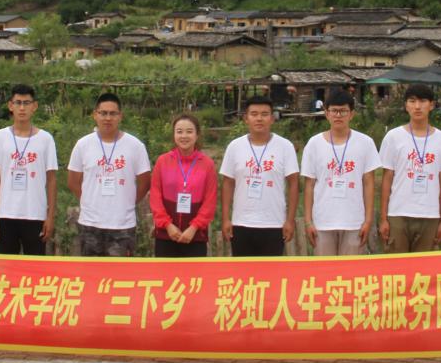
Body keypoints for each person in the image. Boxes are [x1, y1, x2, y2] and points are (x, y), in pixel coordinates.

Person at [66, 92, 152, 257]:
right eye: (103, 113)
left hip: (122, 225)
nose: (108, 118)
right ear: (95, 115)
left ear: (120, 116)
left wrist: (127, 201)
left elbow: (144, 183)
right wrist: (89, 200)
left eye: (113, 113)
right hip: (90, 224)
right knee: (91, 272)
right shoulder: (83, 145)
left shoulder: (135, 146)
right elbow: (72, 181)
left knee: (120, 272)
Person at [300, 88, 379, 256]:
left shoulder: (365, 143)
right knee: (324, 269)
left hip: (354, 221)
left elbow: (368, 183)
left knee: (350, 269)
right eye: (334, 111)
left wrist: (368, 220)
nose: (338, 115)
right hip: (323, 221)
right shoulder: (314, 144)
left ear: (352, 114)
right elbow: (309, 185)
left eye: (343, 111)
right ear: (326, 113)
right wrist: (308, 221)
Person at [378, 84, 441, 253]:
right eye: (412, 101)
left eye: (423, 101)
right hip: (398, 213)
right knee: (396, 265)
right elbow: (387, 179)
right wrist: (383, 218)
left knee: (424, 267)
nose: (417, 106)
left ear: (432, 105)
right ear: (406, 105)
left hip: (430, 215)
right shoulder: (393, 137)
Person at [220, 96, 299, 257]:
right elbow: (227, 183)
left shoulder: (285, 146)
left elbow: (294, 183)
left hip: (274, 223)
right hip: (241, 223)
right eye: (254, 114)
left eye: (264, 114)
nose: (259, 118)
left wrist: (290, 220)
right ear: (246, 118)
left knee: (271, 271)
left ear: (272, 118)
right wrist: (226, 219)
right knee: (242, 271)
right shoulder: (235, 147)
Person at [0, 85, 58, 255]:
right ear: (10, 106)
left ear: (35, 106)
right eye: (18, 103)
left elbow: (52, 179)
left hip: (35, 214)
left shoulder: (46, 139)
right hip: (6, 214)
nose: (22, 108)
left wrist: (50, 217)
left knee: (35, 266)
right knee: (6, 266)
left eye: (27, 103)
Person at [149, 113, 217, 258]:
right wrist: (167, 225)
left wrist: (194, 227)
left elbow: (210, 201)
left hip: (195, 236)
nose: (184, 136)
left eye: (189, 131)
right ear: (174, 135)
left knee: (194, 273)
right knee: (165, 273)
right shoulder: (162, 161)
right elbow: (155, 196)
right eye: (179, 131)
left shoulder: (207, 164)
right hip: (166, 234)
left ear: (197, 135)